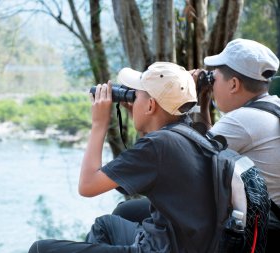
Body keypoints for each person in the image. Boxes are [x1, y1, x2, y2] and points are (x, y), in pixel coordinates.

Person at [111, 38, 280, 252]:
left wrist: (150, 117)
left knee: (125, 212)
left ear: (234, 84)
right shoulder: (271, 107)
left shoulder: (242, 120)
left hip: (251, 230)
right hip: (259, 220)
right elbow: (211, 150)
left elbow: (186, 157)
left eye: (213, 77)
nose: (210, 82)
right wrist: (204, 102)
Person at [28, 62, 216, 253]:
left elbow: (87, 185)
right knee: (105, 226)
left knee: (40, 249)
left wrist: (99, 124)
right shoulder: (190, 134)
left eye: (137, 94)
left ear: (150, 105)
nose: (132, 99)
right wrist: (140, 117)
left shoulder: (157, 146)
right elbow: (155, 163)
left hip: (159, 249)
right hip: (182, 244)